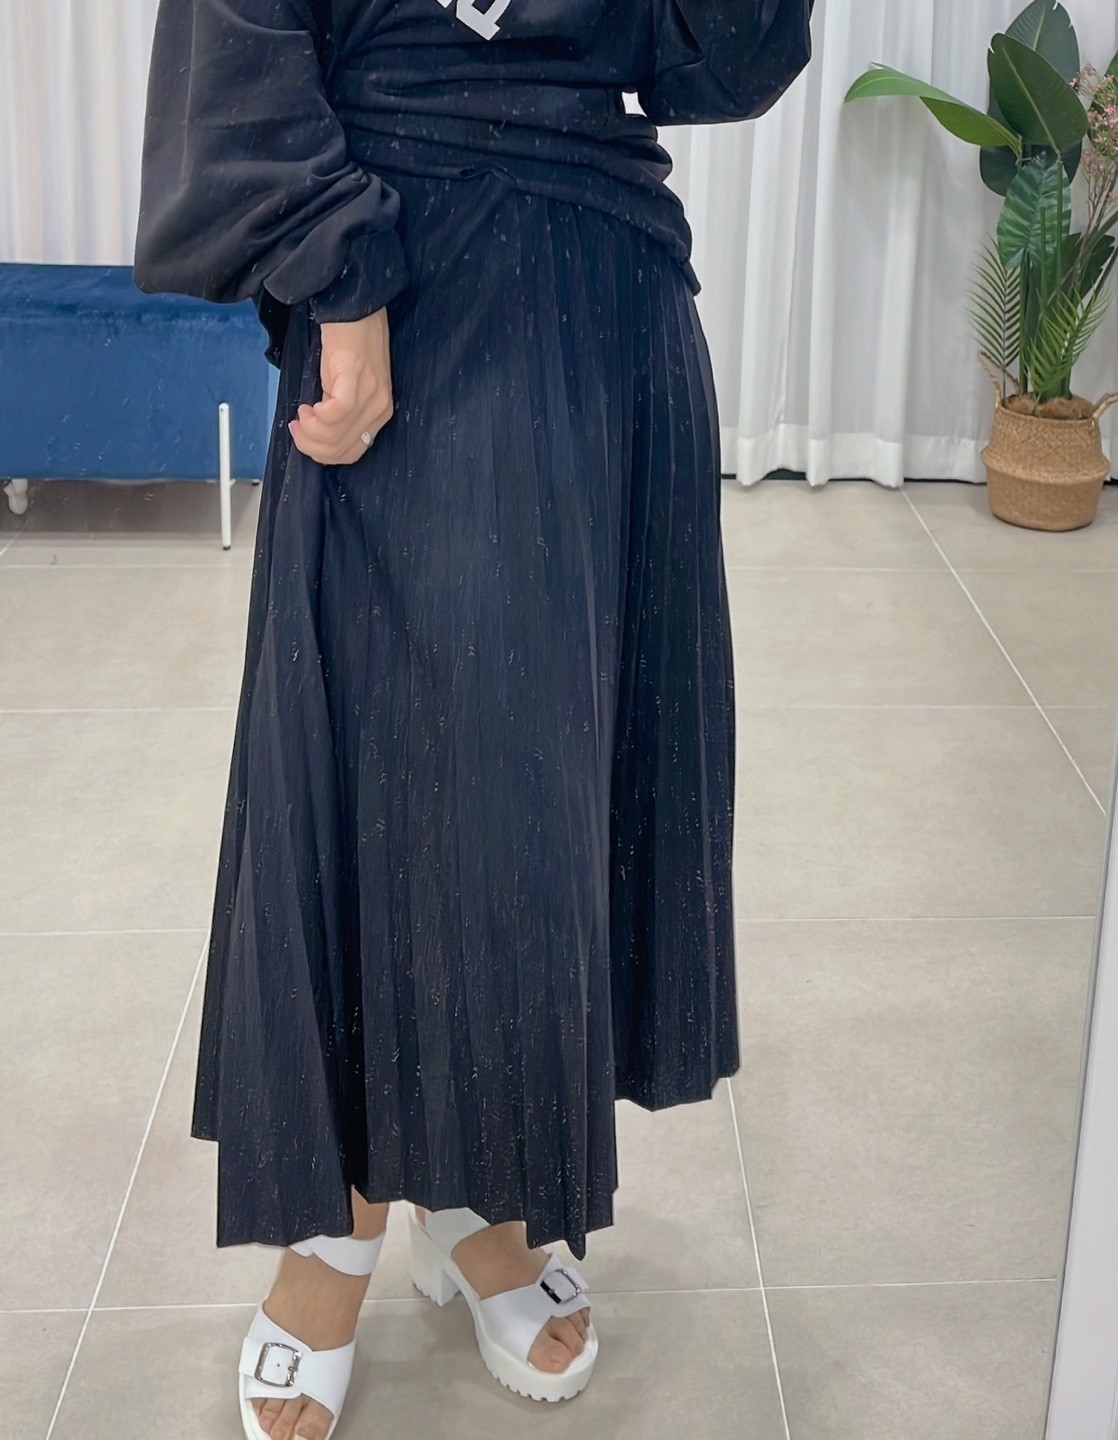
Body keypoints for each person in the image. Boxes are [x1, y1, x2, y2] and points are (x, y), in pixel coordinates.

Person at [133, 3, 814, 1437]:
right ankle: (336, 1223)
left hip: (607, 284)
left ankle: (475, 1189)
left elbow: (724, 57)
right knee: (398, 760)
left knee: (539, 792)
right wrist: (338, 279)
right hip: (405, 261)